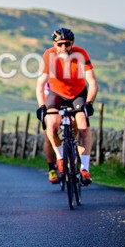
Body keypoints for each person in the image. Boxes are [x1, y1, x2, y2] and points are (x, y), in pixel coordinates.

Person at [35, 28, 99, 185]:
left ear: (73, 44)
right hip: (56, 94)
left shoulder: (81, 54)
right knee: (51, 125)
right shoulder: (49, 55)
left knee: (83, 126)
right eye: (60, 44)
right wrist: (42, 106)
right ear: (54, 44)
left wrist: (89, 102)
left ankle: (85, 169)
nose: (64, 48)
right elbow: (40, 84)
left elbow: (92, 82)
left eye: (67, 44)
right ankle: (60, 157)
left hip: (78, 94)